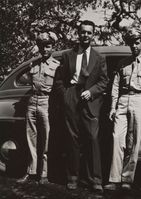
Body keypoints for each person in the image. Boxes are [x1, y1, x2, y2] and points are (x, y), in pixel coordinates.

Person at [53, 20, 108, 192]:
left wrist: (91, 92)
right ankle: (73, 177)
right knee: (72, 139)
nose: (85, 35)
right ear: (78, 34)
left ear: (93, 35)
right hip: (72, 98)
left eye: (89, 32)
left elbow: (104, 81)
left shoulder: (99, 58)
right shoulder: (68, 55)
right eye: (83, 32)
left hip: (90, 101)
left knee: (92, 138)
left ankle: (95, 179)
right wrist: (66, 96)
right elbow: (59, 80)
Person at [104, 28, 141, 191]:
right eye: (131, 43)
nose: (134, 46)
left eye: (137, 42)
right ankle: (114, 179)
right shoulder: (122, 63)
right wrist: (113, 107)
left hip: (140, 100)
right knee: (117, 138)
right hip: (123, 100)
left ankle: (127, 178)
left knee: (133, 142)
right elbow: (115, 87)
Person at [17, 32, 59, 184]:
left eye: (48, 46)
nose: (45, 49)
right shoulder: (33, 64)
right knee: (31, 138)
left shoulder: (57, 66)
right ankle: (31, 171)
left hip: (46, 102)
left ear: (53, 47)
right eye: (42, 46)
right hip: (32, 100)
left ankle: (44, 174)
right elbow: (24, 79)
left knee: (46, 139)